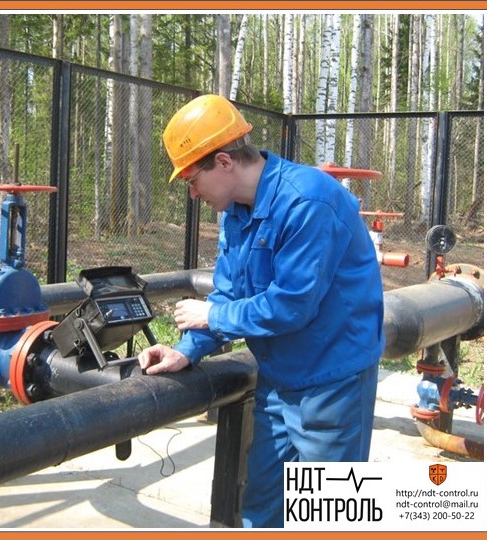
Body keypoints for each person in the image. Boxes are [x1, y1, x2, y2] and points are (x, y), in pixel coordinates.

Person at [137, 94, 385, 528]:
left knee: (325, 514)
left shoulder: (307, 202)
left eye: (192, 179)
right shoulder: (237, 213)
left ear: (224, 162)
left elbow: (291, 305)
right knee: (263, 507)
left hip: (332, 384)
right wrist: (186, 350)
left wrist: (211, 317)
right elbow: (229, 291)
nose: (192, 193)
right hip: (279, 375)